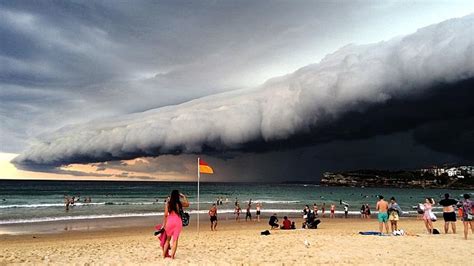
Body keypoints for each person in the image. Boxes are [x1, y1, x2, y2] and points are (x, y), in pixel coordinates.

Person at [162, 190, 189, 259]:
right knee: (175, 240)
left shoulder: (168, 203)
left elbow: (165, 214)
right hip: (177, 222)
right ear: (178, 196)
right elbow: (187, 204)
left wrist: (164, 224)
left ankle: (163, 256)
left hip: (170, 222)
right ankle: (172, 257)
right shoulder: (179, 203)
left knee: (168, 240)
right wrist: (184, 196)